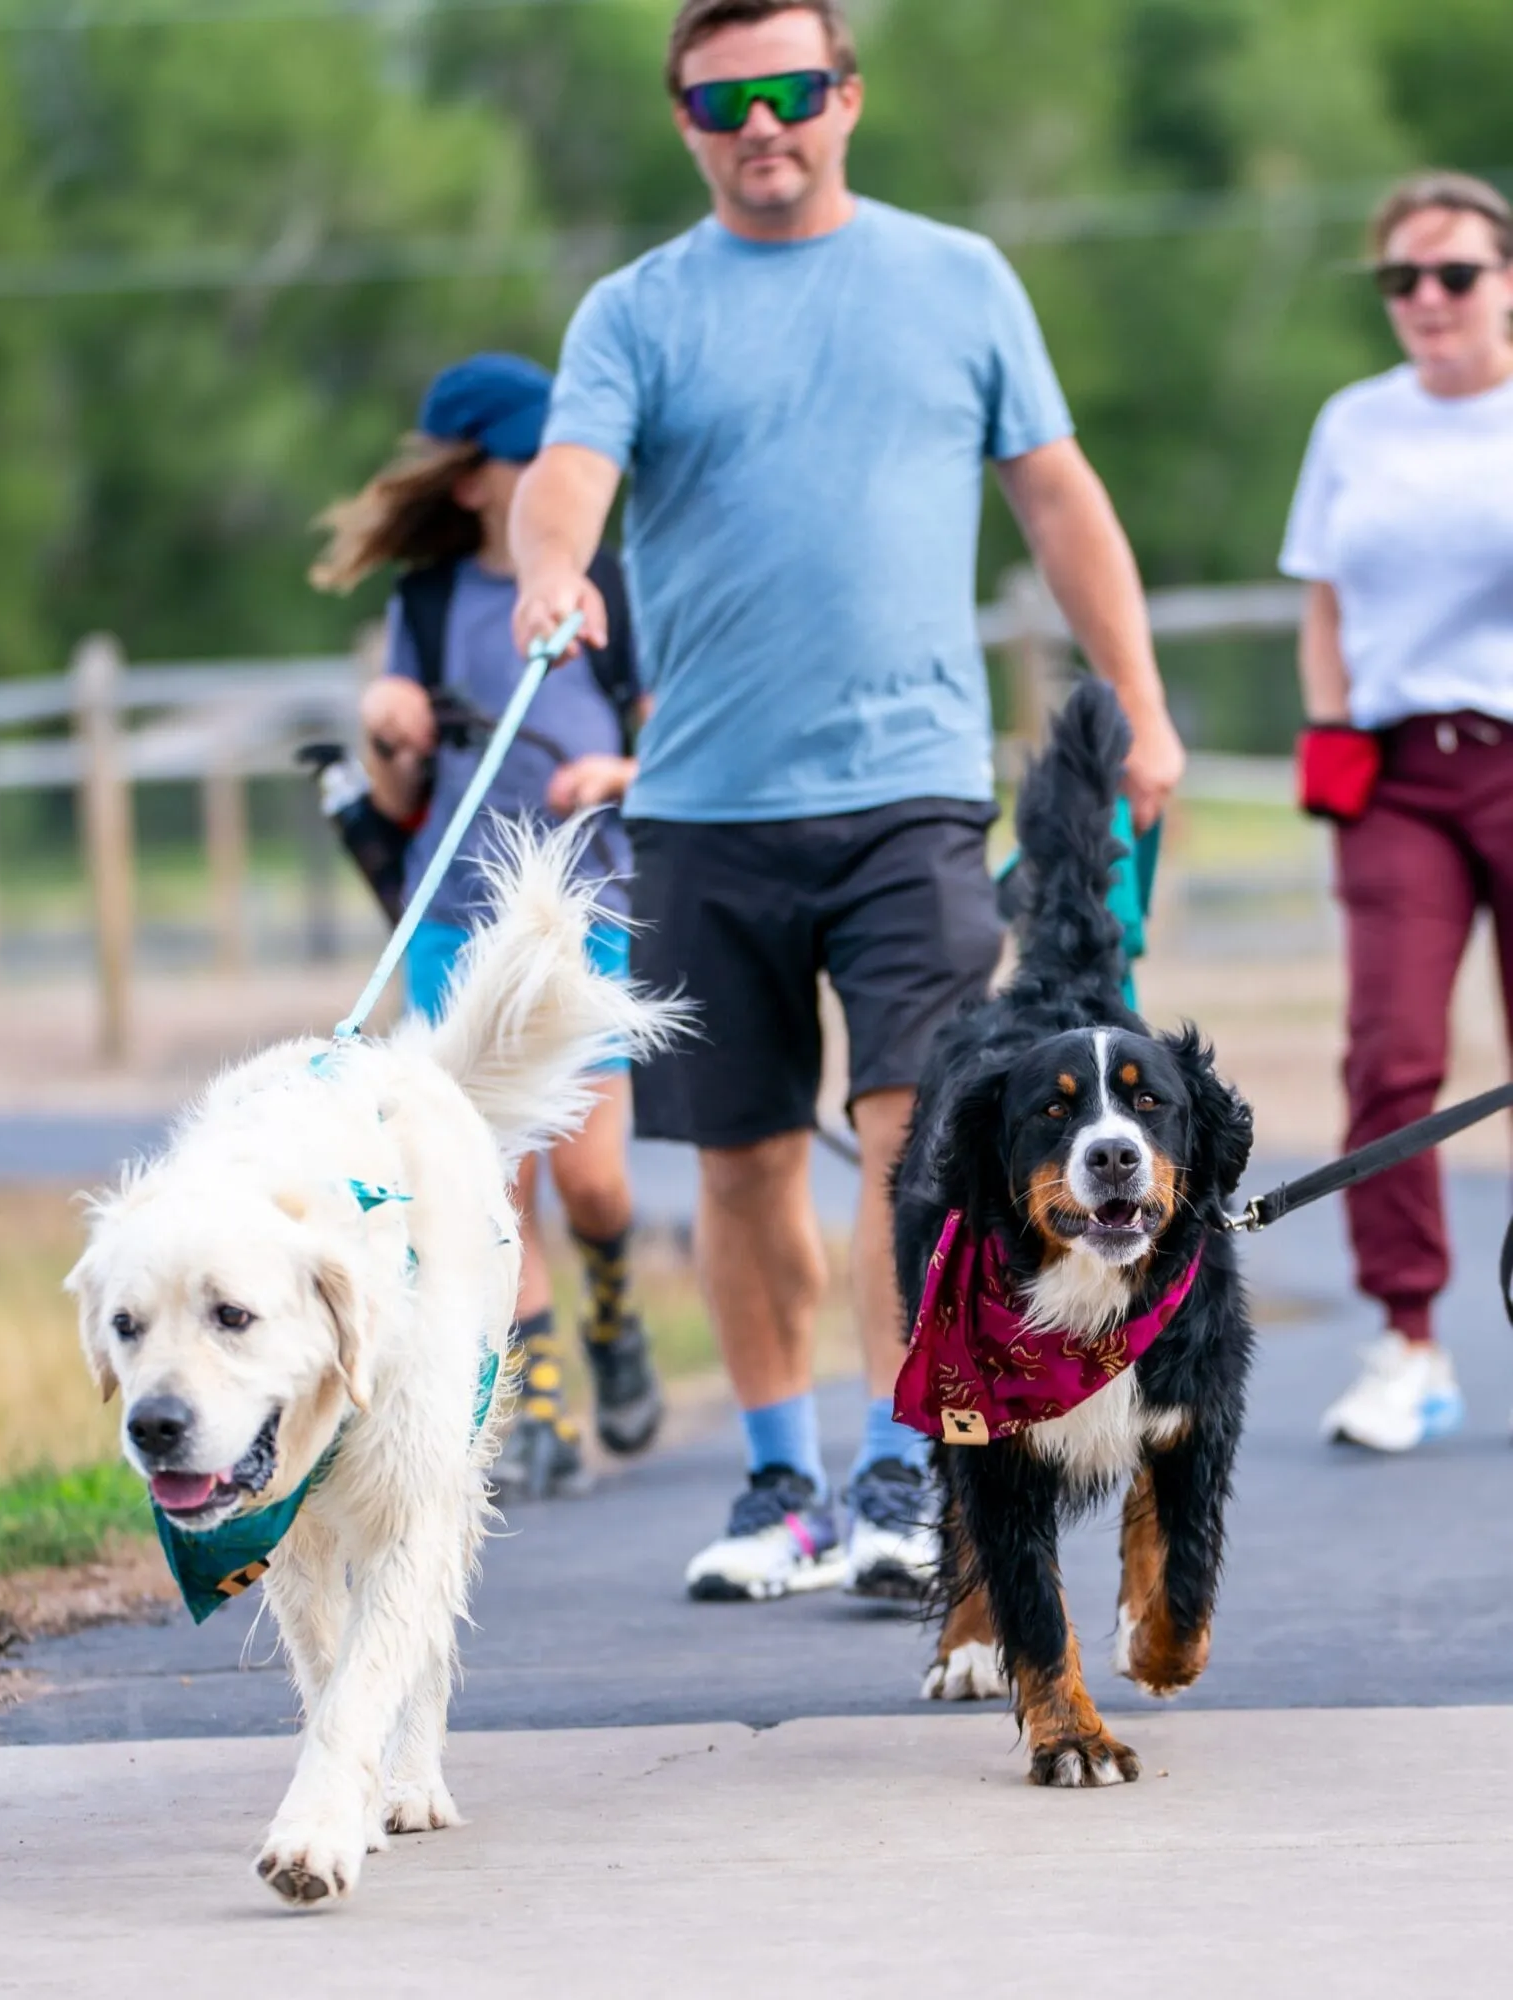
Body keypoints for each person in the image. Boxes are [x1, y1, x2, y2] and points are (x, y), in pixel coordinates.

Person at [510, 0, 1185, 1599]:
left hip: (908, 800)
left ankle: (907, 1469)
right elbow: (565, 479)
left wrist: (1140, 705)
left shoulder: (955, 279)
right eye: (723, 97)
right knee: (737, 1159)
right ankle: (776, 1484)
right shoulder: (636, 308)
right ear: (682, 118)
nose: (761, 123)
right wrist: (552, 574)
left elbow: (1057, 497)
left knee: (913, 1143)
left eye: (791, 90)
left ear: (846, 99)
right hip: (703, 808)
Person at [311, 352, 663, 1498]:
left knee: (595, 1176)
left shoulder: (608, 585)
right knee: (489, 1181)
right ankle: (536, 1394)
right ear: (474, 480)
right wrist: (387, 729)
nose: (557, 475)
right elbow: (404, 794)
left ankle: (612, 1300)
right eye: (531, 459)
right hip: (453, 919)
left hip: (581, 914)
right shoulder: (422, 606)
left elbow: (666, 744)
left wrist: (613, 769)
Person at [1280, 171, 1513, 1453]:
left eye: (1454, 275)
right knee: (1388, 1053)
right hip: (1396, 771)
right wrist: (1328, 726)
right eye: (1401, 280)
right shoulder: (1353, 423)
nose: (1426, 299)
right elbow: (1323, 593)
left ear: (1505, 282)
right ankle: (1406, 1337)